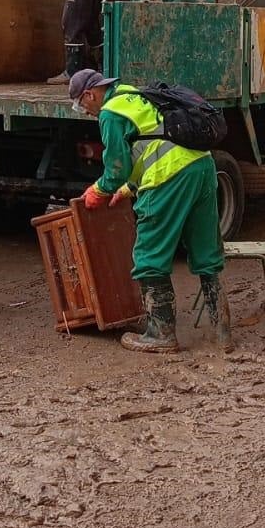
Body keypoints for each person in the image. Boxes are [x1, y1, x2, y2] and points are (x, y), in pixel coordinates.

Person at [70, 68, 226, 353]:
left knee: (149, 255)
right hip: (202, 167)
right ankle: (221, 331)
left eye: (83, 106)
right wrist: (129, 188)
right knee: (206, 251)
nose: (87, 113)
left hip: (172, 176)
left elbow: (117, 165)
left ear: (89, 95)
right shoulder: (134, 94)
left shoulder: (110, 112)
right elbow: (151, 142)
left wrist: (101, 190)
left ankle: (161, 334)